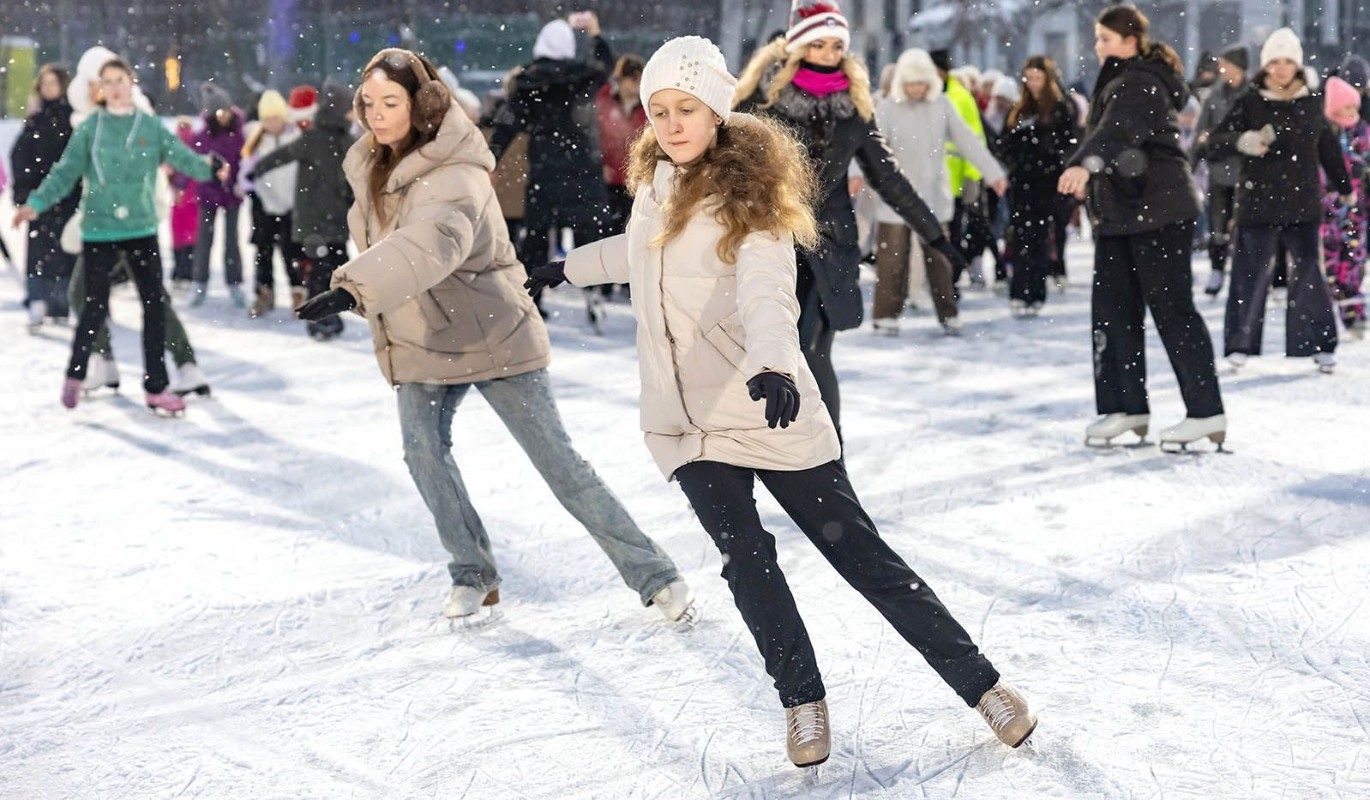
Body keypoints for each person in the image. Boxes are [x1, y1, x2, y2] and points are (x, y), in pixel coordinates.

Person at [525, 36, 1036, 769]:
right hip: (683, 419)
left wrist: (774, 364)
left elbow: (767, 290)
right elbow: (642, 252)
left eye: (687, 109)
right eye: (659, 110)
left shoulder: (751, 199)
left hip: (765, 405)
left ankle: (983, 686)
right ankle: (802, 702)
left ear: (718, 110)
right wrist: (568, 267)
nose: (670, 124)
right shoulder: (656, 186)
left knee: (860, 556)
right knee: (746, 559)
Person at [293, 48, 693, 625]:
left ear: (423, 105)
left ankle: (655, 575)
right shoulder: (368, 164)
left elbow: (434, 244)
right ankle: (473, 573)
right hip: (421, 334)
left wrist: (355, 286)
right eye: (369, 103)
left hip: (492, 332)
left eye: (391, 102)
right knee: (423, 453)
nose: (376, 114)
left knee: (560, 465)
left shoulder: (456, 169)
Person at [734, 0, 962, 434]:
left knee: (813, 350)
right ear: (799, 46)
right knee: (772, 354)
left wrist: (935, 237)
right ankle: (758, 453)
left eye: (837, 46)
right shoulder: (763, 100)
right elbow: (723, 162)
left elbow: (889, 179)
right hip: (772, 241)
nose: (829, 54)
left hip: (829, 247)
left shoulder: (853, 107)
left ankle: (828, 458)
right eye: (819, 44)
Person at [12, 56, 228, 414]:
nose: (114, 87)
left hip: (141, 229)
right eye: (107, 81)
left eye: (120, 80)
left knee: (153, 308)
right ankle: (76, 373)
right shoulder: (90, 128)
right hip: (100, 230)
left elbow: (181, 157)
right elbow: (64, 173)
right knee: (93, 306)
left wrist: (209, 168)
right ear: (99, 88)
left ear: (132, 83)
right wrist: (35, 203)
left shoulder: (149, 124)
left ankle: (156, 387)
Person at [1059, 4, 1226, 451]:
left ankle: (1206, 411)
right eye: (1097, 38)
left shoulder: (1139, 80)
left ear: (1130, 41)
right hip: (1122, 216)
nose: (1099, 46)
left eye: (1105, 38)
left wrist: (1084, 165)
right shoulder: (1121, 79)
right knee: (1114, 310)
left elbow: (1117, 131)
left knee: (1172, 311)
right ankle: (1128, 407)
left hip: (1159, 213)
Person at [1207, 28, 1351, 375]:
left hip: (1302, 203)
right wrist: (1242, 140)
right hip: (1258, 201)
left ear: (1298, 64)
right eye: (1275, 61)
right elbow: (1214, 142)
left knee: (1308, 274)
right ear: (1265, 65)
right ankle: (1240, 344)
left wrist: (1344, 184)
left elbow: (1327, 148)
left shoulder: (1312, 102)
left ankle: (1319, 344)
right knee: (1248, 273)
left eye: (1288, 61)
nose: (1282, 68)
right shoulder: (1250, 101)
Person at [489, 13, 617, 327]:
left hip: (545, 170)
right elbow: (607, 66)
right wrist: (596, 35)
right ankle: (592, 292)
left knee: (536, 237)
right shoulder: (583, 75)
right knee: (587, 234)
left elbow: (506, 124)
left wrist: (490, 160)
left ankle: (533, 296)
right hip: (581, 167)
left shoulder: (527, 83)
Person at [871, 47, 1006, 334]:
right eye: (910, 83)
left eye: (921, 83)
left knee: (940, 259)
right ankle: (886, 315)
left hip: (933, 196)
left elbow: (968, 141)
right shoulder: (887, 108)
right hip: (895, 198)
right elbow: (871, 147)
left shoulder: (942, 105)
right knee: (891, 259)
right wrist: (858, 175)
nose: (916, 89)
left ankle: (948, 313)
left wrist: (993, 173)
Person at [250, 80, 355, 341]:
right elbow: (282, 155)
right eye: (349, 108)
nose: (354, 113)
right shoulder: (314, 139)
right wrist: (257, 169)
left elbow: (358, 176)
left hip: (336, 218)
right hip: (314, 220)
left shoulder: (347, 141)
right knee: (321, 270)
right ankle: (319, 319)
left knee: (337, 268)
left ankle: (331, 314)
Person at [996, 55, 1080, 315]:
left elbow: (1069, 144)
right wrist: (1014, 163)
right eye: (1030, 78)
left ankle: (1036, 291)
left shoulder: (1060, 108)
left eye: (1038, 78)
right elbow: (1004, 144)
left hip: (1047, 182)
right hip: (1022, 182)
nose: (1033, 84)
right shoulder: (1018, 110)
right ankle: (1019, 290)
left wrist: (1053, 159)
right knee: (1020, 236)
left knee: (1041, 237)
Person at [11, 63, 80, 332]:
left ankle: (62, 303)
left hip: (69, 197)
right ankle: (37, 301)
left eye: (54, 82)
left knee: (65, 250)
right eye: (45, 83)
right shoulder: (35, 121)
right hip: (39, 197)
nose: (49, 88)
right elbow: (20, 156)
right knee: (38, 250)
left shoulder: (75, 119)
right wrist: (24, 191)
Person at [239, 89, 306, 318]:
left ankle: (298, 293)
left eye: (275, 117)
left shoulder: (296, 136)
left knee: (292, 251)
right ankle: (264, 291)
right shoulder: (256, 141)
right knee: (263, 251)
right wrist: (251, 190)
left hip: (292, 204)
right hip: (263, 205)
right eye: (266, 119)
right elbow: (245, 171)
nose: (271, 123)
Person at [1193, 44, 1249, 297]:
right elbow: (1200, 133)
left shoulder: (1253, 95)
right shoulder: (1213, 95)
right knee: (1217, 223)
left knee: (1245, 224)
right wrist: (1191, 164)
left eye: (1226, 64)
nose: (1221, 69)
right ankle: (1217, 267)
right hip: (1218, 170)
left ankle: (1244, 272)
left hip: (1248, 172)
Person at [188, 83, 246, 308]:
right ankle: (199, 281)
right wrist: (181, 184)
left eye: (227, 111)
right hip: (208, 193)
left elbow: (245, 161)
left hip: (232, 194)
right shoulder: (202, 136)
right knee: (204, 239)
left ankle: (234, 282)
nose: (225, 116)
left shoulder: (240, 134)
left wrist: (240, 183)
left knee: (232, 240)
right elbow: (192, 162)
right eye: (220, 112)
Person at [1322, 76, 1369, 339]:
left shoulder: (1363, 133)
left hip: (1357, 212)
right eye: (1344, 109)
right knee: (1329, 267)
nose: (1350, 115)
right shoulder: (1325, 135)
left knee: (1353, 263)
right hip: (1329, 214)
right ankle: (1325, 322)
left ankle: (1355, 314)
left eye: (1353, 108)